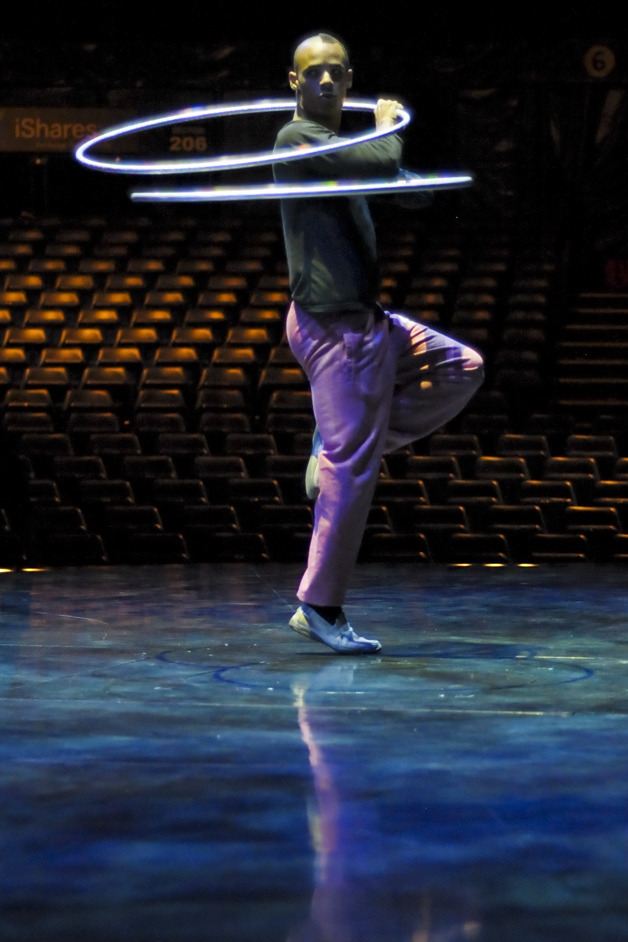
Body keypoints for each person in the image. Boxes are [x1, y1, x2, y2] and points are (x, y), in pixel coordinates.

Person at [273, 32, 484, 654]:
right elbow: (380, 160)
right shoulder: (297, 138)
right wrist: (388, 126)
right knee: (353, 470)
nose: (328, 84)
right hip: (335, 328)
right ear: (295, 83)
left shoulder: (337, 148)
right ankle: (318, 606)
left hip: (370, 323)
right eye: (315, 75)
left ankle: (339, 448)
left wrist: (416, 176)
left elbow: (389, 175)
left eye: (337, 73)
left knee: (462, 367)